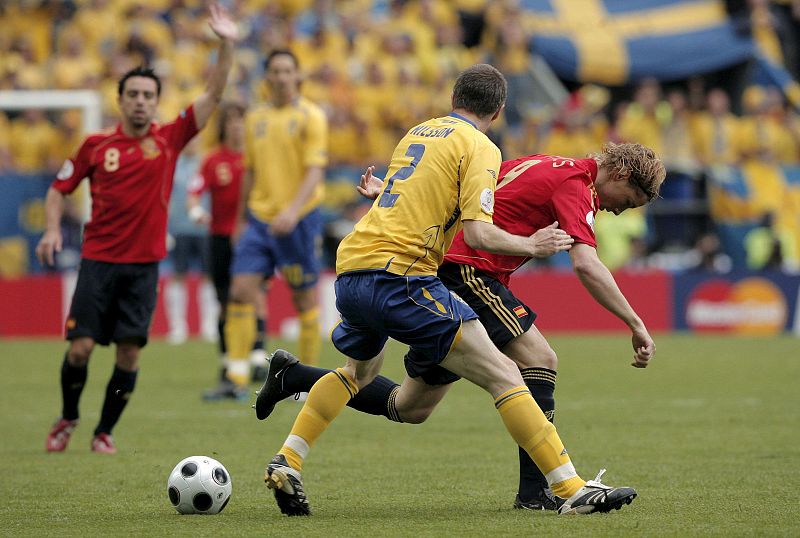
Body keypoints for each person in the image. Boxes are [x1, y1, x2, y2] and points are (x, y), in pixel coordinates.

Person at [260, 64, 640, 517]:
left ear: (455, 96)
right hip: (404, 276)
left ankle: (289, 460)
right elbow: (478, 235)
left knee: (361, 377)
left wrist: (381, 193)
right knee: (506, 373)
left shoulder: (419, 133)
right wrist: (531, 244)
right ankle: (569, 488)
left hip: (353, 269)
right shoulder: (481, 146)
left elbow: (413, 196)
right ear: (499, 110)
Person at [35, 2, 238, 454]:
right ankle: (68, 417)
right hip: (97, 262)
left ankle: (103, 431)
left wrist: (226, 44)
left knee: (129, 354)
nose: (141, 102)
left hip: (144, 267)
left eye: (149, 95)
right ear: (121, 99)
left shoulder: (169, 139)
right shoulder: (96, 145)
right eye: (134, 95)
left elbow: (213, 96)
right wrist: (51, 230)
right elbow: (57, 189)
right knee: (80, 349)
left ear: (156, 101)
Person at [222, 49, 328, 392]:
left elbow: (315, 171)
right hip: (258, 220)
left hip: (298, 221)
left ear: (298, 77)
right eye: (275, 71)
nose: (281, 76)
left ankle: (308, 381)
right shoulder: (256, 118)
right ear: (267, 76)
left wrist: (293, 211)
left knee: (303, 299)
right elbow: (249, 172)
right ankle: (235, 377)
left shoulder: (312, 116)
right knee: (240, 290)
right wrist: (239, 221)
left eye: (287, 71)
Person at [186, 101, 268, 401]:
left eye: (240, 120)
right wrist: (195, 210)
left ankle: (258, 358)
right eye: (231, 120)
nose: (236, 126)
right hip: (219, 239)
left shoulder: (257, 156)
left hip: (253, 238)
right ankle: (228, 366)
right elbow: (194, 191)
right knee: (225, 303)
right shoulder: (213, 160)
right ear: (224, 126)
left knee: (255, 295)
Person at [165, 138, 218, 345]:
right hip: (179, 228)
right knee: (178, 275)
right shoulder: (173, 165)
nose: (192, 143)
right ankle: (177, 326)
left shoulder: (205, 163)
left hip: (205, 228)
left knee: (208, 276)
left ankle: (209, 325)